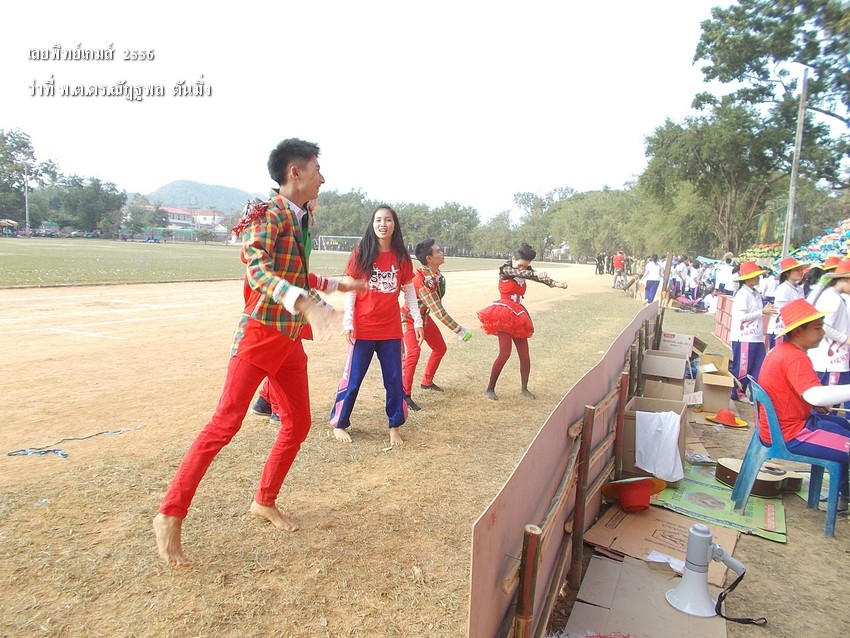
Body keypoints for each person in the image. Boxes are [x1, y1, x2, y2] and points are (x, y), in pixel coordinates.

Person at [153, 138, 364, 567]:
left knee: (298, 423)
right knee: (224, 424)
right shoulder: (267, 215)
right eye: (317, 170)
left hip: (288, 340)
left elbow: (296, 272)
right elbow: (259, 270)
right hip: (259, 336)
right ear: (295, 173)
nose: (323, 178)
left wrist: (334, 286)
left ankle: (264, 500)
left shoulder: (301, 217)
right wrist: (306, 304)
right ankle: (169, 514)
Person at [329, 205, 424, 446]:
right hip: (363, 329)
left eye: (388, 220)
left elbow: (409, 292)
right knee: (353, 380)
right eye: (379, 220)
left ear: (395, 224)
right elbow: (351, 291)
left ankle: (395, 426)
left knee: (393, 380)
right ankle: (339, 423)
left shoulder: (402, 257)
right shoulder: (361, 253)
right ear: (372, 224)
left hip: (391, 330)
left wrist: (417, 320)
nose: (383, 224)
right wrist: (348, 322)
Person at [757, 298, 850, 512]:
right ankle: (845, 493)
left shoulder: (784, 351)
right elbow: (815, 396)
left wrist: (814, 402)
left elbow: (806, 395)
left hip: (779, 427)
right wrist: (815, 400)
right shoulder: (794, 357)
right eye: (817, 328)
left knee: (843, 425)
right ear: (799, 331)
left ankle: (844, 493)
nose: (822, 333)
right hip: (790, 434)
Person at [478, 243, 568, 400]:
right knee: (505, 353)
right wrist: (533, 273)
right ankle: (490, 389)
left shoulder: (525, 271)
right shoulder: (506, 270)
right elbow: (520, 273)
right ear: (513, 259)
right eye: (521, 265)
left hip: (518, 314)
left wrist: (555, 283)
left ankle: (524, 388)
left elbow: (537, 277)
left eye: (526, 266)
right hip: (504, 314)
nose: (523, 268)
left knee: (525, 356)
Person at [400, 239, 472, 411]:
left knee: (440, 348)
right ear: (429, 258)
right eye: (438, 251)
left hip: (424, 319)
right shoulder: (422, 282)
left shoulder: (435, 275)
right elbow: (439, 311)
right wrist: (460, 330)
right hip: (409, 319)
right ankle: (404, 394)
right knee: (414, 353)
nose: (442, 253)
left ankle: (427, 381)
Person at [729, 261, 776, 400]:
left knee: (758, 368)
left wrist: (763, 311)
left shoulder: (756, 294)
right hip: (744, 337)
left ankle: (755, 395)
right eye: (756, 276)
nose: (758, 278)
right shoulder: (742, 294)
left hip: (756, 337)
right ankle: (737, 392)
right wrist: (762, 312)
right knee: (743, 368)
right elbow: (740, 317)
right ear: (747, 278)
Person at [809, 259, 850, 409]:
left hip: (837, 359)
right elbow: (823, 326)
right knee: (828, 406)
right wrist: (845, 339)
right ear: (846, 279)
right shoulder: (832, 298)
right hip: (832, 361)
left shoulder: (835, 296)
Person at [767, 257, 806, 349]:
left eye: (801, 270)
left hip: (792, 329)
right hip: (780, 330)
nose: (800, 272)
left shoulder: (799, 289)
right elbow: (783, 311)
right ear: (787, 273)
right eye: (797, 270)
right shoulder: (783, 289)